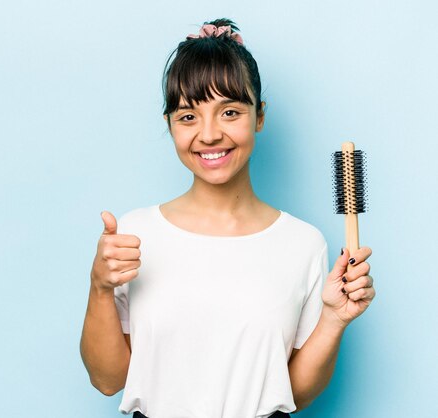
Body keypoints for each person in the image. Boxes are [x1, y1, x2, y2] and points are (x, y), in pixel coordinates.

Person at [80, 18, 376, 418]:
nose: (209, 134)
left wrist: (335, 319)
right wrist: (100, 285)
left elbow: (295, 394)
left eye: (230, 112)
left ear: (259, 117)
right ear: (169, 124)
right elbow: (108, 379)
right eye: (188, 116)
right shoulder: (134, 236)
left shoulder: (304, 243)